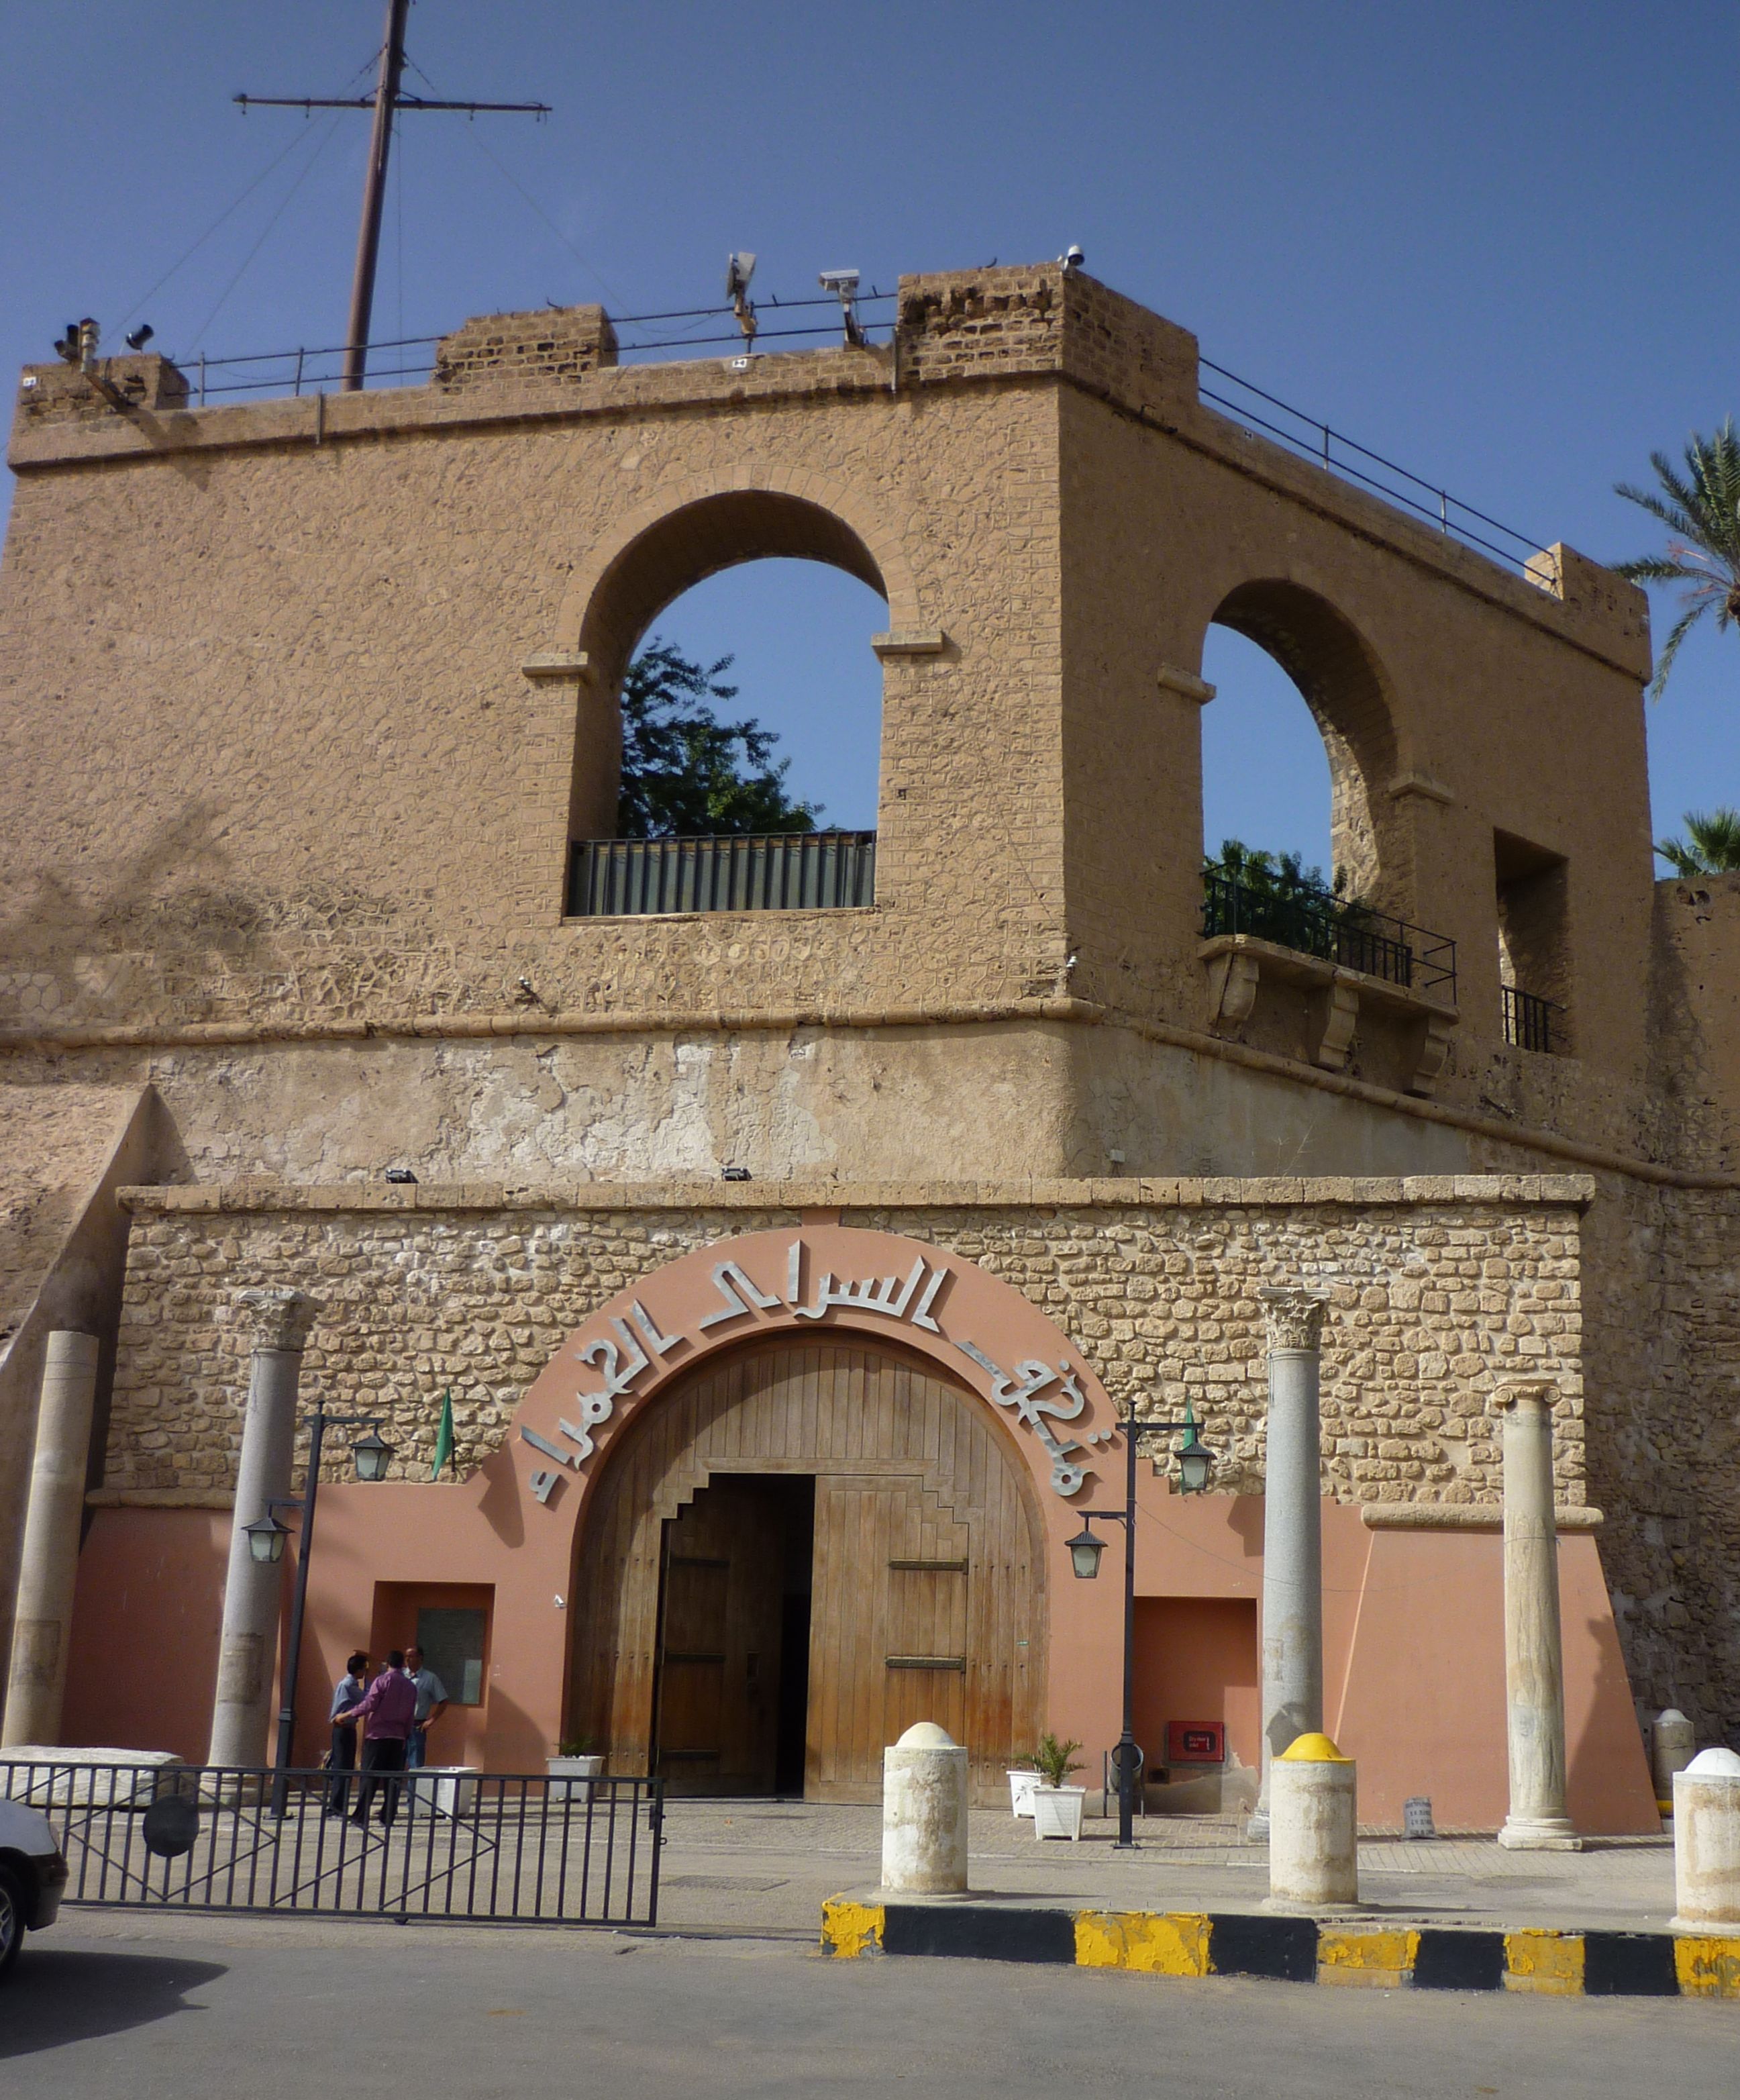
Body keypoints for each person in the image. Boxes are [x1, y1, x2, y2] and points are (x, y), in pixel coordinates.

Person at [338, 1649, 417, 1828]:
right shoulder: (410, 1687)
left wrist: (347, 1714)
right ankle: (388, 1816)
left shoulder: (381, 1681)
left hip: (378, 1735)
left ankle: (361, 1816)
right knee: (393, 1779)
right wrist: (405, 1734)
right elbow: (410, 1714)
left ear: (388, 1664)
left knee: (370, 1777)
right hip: (398, 1737)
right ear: (403, 1664)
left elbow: (370, 1704)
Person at [325, 1650, 369, 1817]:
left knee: (345, 1767)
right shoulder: (349, 1686)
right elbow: (367, 1699)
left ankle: (339, 1806)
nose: (365, 1672)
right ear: (358, 1670)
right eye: (364, 1669)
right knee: (342, 1768)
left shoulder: (350, 1684)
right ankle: (335, 1808)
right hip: (343, 1729)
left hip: (346, 1730)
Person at [401, 1645, 450, 1771]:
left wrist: (431, 1720)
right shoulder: (400, 1675)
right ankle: (394, 1791)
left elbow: (443, 1700)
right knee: (396, 1763)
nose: (408, 1660)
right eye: (406, 1656)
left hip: (417, 1726)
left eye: (411, 1656)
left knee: (416, 1765)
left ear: (420, 1658)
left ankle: (413, 1791)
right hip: (398, 1726)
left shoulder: (430, 1678)